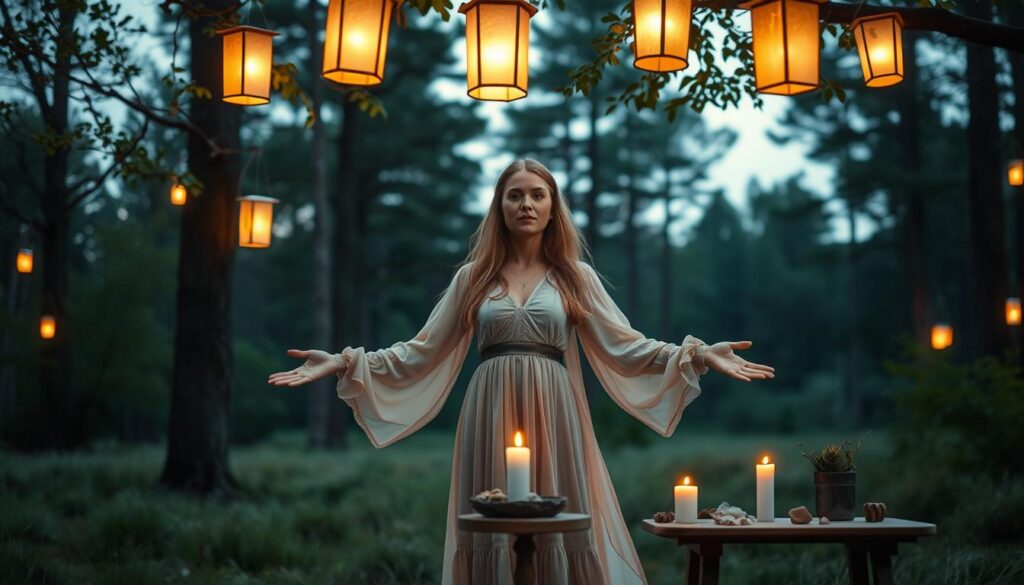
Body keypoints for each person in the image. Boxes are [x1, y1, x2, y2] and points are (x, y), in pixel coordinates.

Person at [268, 159, 775, 584]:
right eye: (514, 196)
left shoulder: (575, 277)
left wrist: (699, 354)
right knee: (491, 530)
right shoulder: (473, 277)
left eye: (537, 195)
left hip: (557, 411)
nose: (526, 204)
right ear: (500, 207)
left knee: (564, 527)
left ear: (553, 207)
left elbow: (629, 347)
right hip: (488, 412)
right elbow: (420, 350)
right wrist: (345, 361)